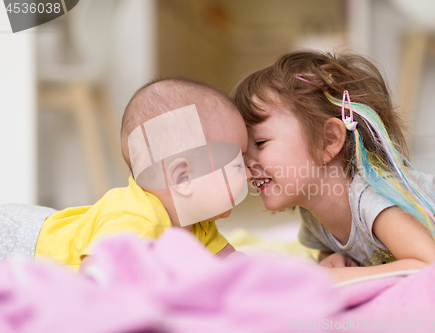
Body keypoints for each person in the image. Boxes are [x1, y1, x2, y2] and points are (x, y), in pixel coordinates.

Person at [233, 51, 435, 283]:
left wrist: (342, 277)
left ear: (328, 140)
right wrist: (332, 261)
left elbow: (430, 264)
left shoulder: (373, 198)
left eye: (260, 142)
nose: (246, 163)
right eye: (244, 151)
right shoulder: (313, 216)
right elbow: (331, 251)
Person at [0, 77, 249, 271]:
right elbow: (97, 276)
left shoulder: (200, 225)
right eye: (237, 164)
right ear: (183, 178)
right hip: (17, 242)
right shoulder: (134, 217)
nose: (249, 173)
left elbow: (231, 266)